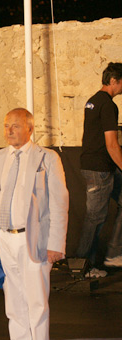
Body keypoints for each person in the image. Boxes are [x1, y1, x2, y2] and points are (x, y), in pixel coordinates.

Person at [0, 108, 68, 340]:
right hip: (4, 238)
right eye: (6, 126)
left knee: (36, 297)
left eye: (15, 126)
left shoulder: (47, 158)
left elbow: (59, 203)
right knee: (13, 297)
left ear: (30, 128)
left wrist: (56, 243)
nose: (9, 131)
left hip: (34, 238)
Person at [76, 62, 122, 275]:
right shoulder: (108, 105)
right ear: (114, 81)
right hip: (99, 169)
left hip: (96, 167)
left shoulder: (92, 101)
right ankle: (83, 267)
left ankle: (114, 254)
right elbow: (112, 144)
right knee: (94, 218)